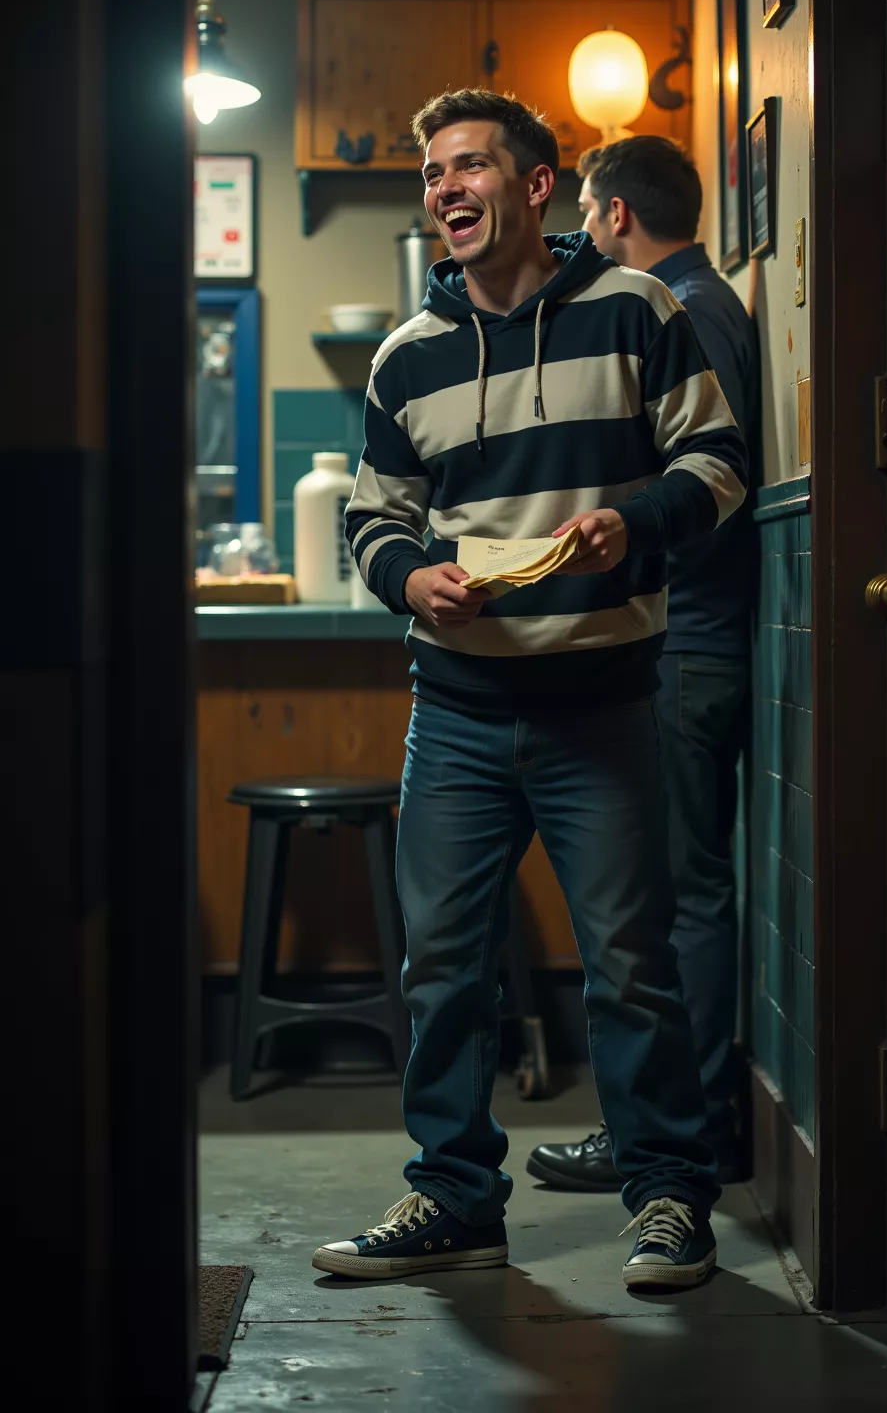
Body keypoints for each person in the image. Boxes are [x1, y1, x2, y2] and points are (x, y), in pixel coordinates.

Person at [311, 92, 748, 1291]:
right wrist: (413, 581)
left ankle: (668, 1199)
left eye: (468, 167)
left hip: (603, 702)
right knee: (443, 963)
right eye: (431, 175)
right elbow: (374, 520)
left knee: (628, 961)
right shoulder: (408, 355)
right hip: (455, 706)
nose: (445, 190)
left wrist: (634, 519)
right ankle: (454, 1196)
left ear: (538, 184)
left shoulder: (637, 309)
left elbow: (718, 464)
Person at [527, 136, 760, 1193]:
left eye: (584, 211)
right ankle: (683, 1118)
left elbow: (713, 488)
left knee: (675, 895)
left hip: (689, 639)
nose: (580, 232)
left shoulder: (679, 308)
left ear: (616, 215)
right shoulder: (709, 297)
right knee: (678, 890)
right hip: (701, 639)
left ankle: (681, 1127)